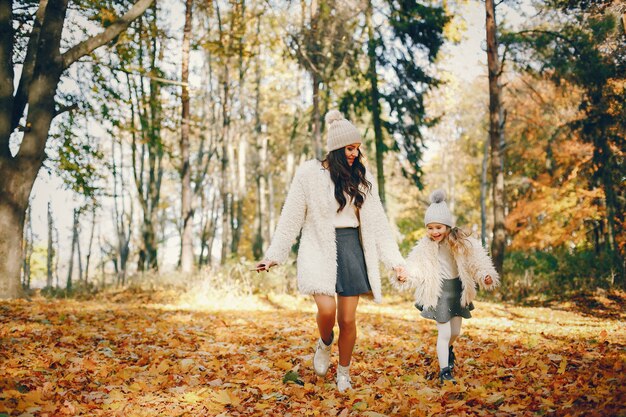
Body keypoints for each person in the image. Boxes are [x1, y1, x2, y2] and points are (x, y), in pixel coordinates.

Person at [256, 110, 407, 392]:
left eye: (357, 148)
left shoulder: (361, 176)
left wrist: (395, 262)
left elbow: (378, 224)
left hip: (352, 248)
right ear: (336, 148)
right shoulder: (309, 174)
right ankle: (325, 343)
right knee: (327, 310)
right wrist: (274, 255)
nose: (355, 154)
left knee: (348, 319)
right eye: (350, 148)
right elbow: (291, 216)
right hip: (319, 247)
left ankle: (344, 374)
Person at [396, 189, 499, 384]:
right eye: (431, 228)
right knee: (443, 333)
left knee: (454, 333)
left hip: (457, 291)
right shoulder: (424, 247)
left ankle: (448, 350)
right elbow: (416, 267)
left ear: (447, 226)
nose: (434, 232)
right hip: (439, 292)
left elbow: (476, 261)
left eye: (438, 227)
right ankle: (445, 372)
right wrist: (405, 276)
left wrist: (485, 275)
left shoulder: (462, 242)